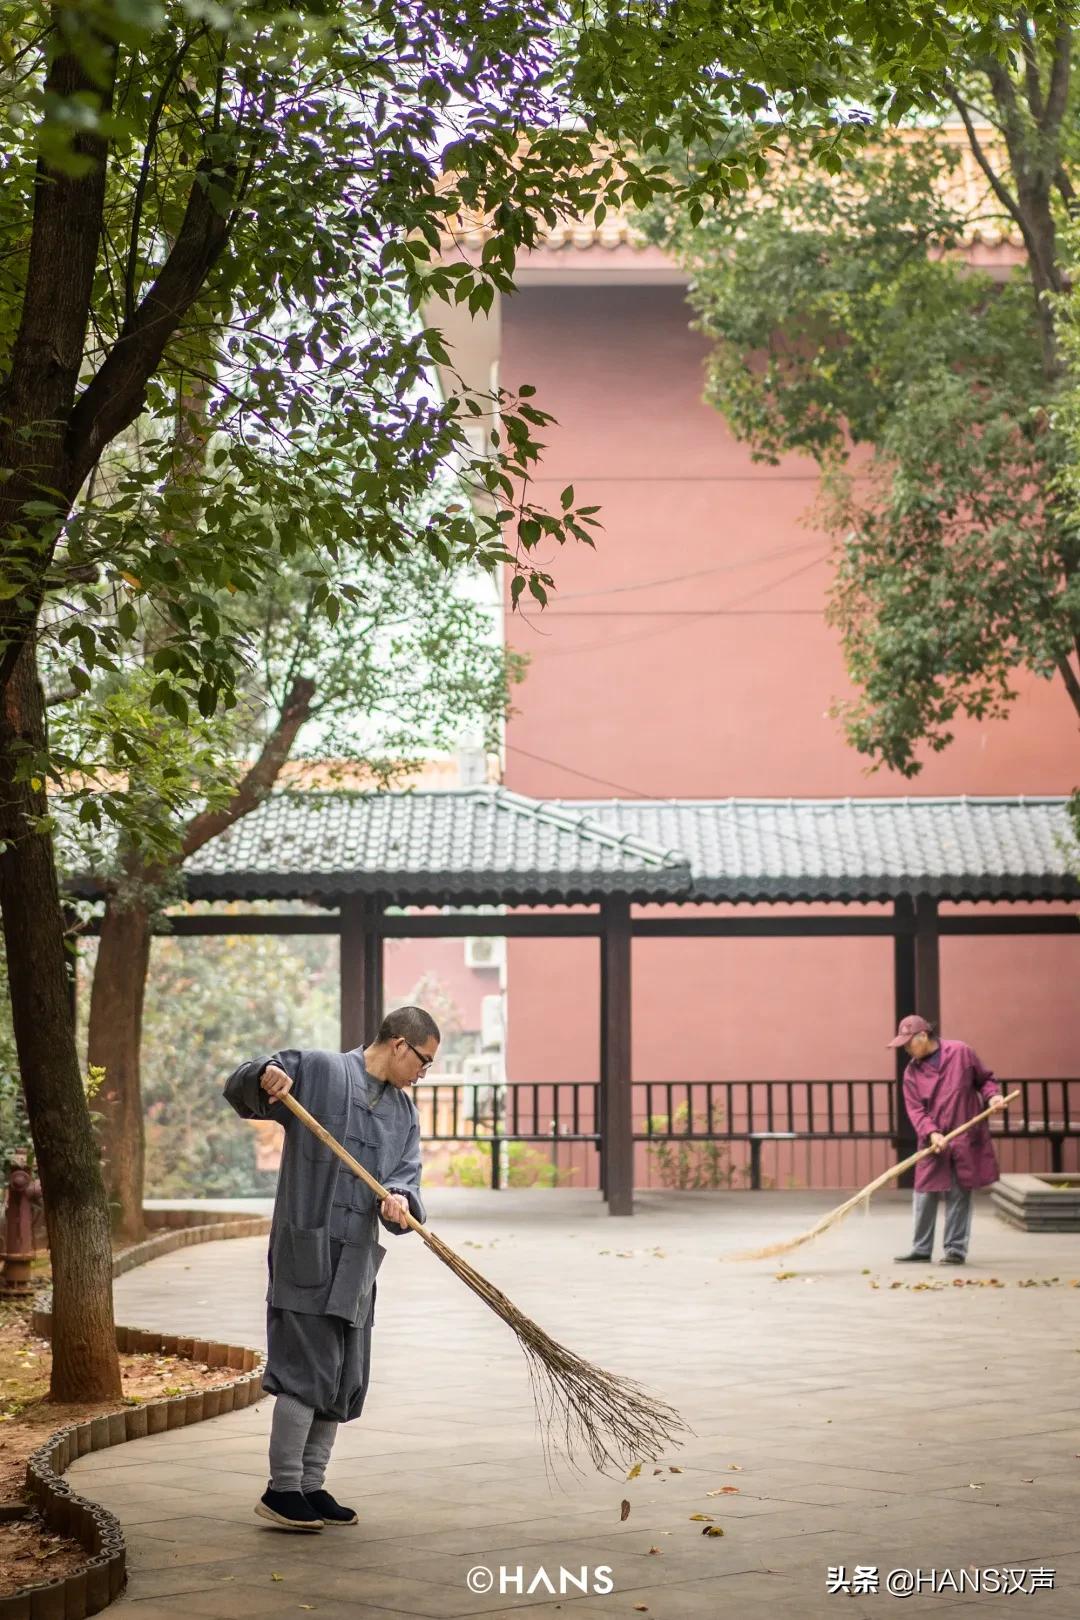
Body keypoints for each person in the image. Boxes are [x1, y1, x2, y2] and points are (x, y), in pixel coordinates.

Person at [224, 1005, 439, 1531]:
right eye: (424, 1061)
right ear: (399, 1044)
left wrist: (400, 1200)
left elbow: (407, 1178)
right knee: (306, 1371)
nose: (423, 1073)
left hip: (356, 1261)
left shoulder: (404, 1115)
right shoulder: (319, 1070)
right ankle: (281, 1489)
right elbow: (244, 1084)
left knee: (343, 1375)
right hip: (308, 1250)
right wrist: (265, 1074)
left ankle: (310, 1485)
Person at [888, 1014, 1007, 1266]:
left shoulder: (961, 1052)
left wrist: (993, 1097)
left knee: (959, 1193)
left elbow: (985, 1080)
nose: (907, 1049)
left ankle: (955, 1249)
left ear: (923, 1036)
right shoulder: (911, 1073)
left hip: (964, 1136)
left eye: (909, 1043)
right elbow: (916, 1111)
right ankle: (921, 1248)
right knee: (924, 1193)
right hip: (932, 1139)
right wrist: (932, 1133)